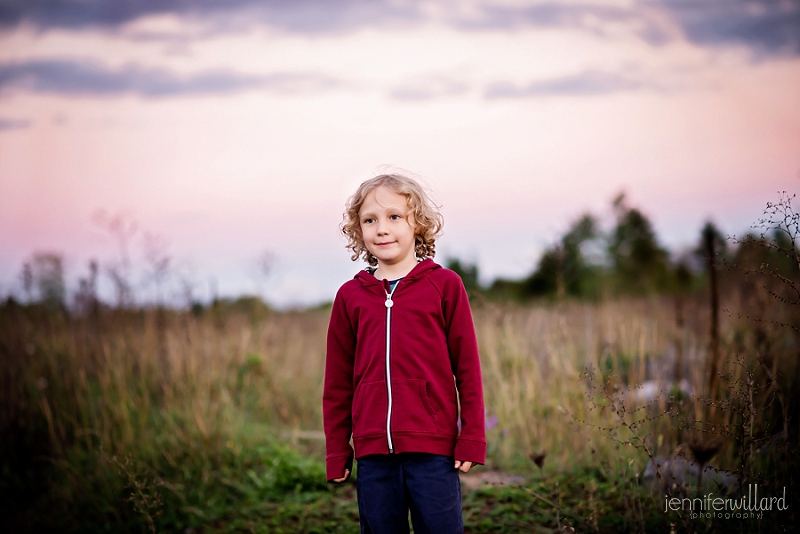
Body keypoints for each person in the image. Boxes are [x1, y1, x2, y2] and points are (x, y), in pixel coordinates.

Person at [323, 173, 486, 533]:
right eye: (370, 220)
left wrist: (471, 436)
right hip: (373, 457)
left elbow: (468, 369)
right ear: (358, 230)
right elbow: (336, 383)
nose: (382, 228)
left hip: (434, 453)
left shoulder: (444, 286)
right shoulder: (350, 297)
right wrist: (338, 450)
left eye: (394, 216)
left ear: (418, 223)